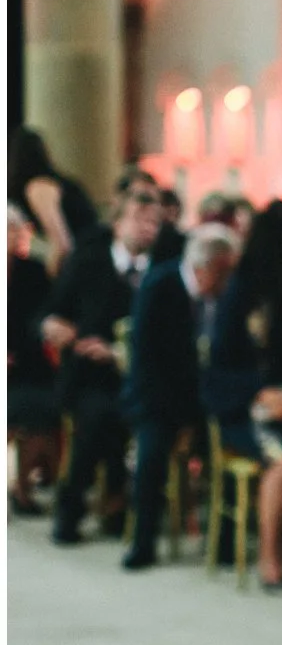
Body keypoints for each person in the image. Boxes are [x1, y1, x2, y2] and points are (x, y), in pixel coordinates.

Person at [203, 199, 282, 591]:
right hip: (246, 404)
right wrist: (262, 395)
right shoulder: (245, 290)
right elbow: (222, 362)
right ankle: (269, 559)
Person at [42, 191, 161, 544]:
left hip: (144, 378)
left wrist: (116, 352)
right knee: (98, 415)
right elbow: (51, 311)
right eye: (139, 219)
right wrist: (53, 326)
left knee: (134, 415)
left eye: (154, 221)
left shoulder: (162, 271)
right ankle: (76, 507)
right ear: (118, 224)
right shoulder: (89, 262)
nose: (147, 228)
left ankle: (117, 501)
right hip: (89, 378)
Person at [119, 223, 240, 570]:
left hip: (204, 396)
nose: (229, 279)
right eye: (225, 271)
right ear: (208, 268)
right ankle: (143, 541)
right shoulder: (159, 285)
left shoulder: (224, 295)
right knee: (153, 451)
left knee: (231, 444)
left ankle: (224, 539)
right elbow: (147, 358)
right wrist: (184, 414)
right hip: (156, 395)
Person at [8, 206, 61, 514]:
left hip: (25, 367)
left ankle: (22, 488)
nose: (13, 237)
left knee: (40, 407)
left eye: (16, 230)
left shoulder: (34, 272)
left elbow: (40, 322)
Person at [9, 126, 100, 276]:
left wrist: (55, 283)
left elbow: (63, 244)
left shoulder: (38, 187)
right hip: (90, 254)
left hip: (85, 260)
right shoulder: (56, 182)